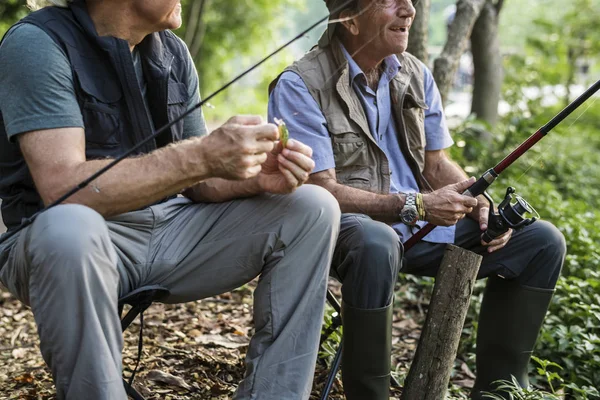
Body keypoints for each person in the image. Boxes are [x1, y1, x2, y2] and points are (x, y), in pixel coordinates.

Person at [0, 0, 342, 399]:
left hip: (168, 229)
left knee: (312, 207)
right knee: (70, 225)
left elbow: (199, 184)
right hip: (68, 243)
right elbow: (62, 190)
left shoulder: (172, 51)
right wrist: (200, 154)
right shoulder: (37, 44)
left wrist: (254, 178)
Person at [268, 0, 566, 399]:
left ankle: (500, 391)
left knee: (543, 242)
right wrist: (416, 206)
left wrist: (478, 200)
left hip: (424, 228)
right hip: (348, 231)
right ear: (350, 18)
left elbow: (437, 163)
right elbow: (321, 191)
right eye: (391, 1)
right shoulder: (300, 83)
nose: (409, 9)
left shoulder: (415, 72)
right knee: (378, 243)